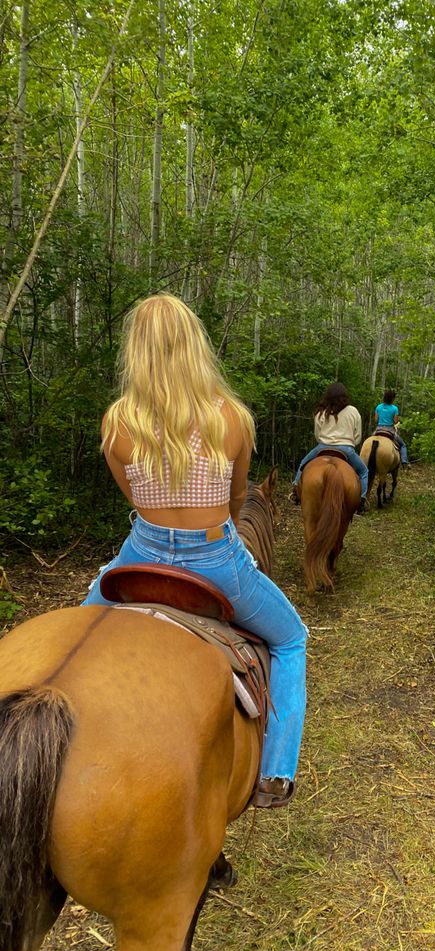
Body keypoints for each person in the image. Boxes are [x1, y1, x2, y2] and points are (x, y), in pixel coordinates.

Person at [81, 292, 307, 809]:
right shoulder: (231, 419)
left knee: (76, 634)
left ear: (135, 351)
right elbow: (233, 503)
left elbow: (136, 500)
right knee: (293, 638)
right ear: (194, 345)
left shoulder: (118, 422)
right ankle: (275, 772)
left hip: (142, 554)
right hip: (216, 560)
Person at [289, 382, 370, 512]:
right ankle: (361, 500)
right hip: (346, 449)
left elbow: (317, 434)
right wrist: (350, 443)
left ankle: (295, 492)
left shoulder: (321, 412)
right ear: (344, 396)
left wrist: (325, 441)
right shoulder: (353, 411)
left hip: (322, 447)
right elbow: (358, 435)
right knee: (364, 472)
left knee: (303, 465)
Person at [374, 388, 409, 466]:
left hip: (378, 429)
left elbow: (376, 420)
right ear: (392, 398)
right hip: (390, 430)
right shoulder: (394, 408)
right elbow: (396, 421)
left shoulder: (378, 407)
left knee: (369, 440)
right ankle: (404, 461)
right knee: (403, 445)